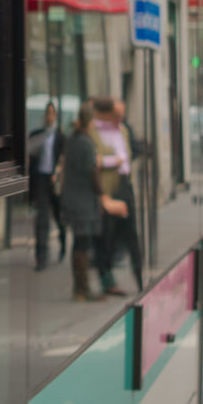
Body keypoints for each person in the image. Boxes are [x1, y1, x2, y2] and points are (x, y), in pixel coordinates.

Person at [91, 97, 141, 294]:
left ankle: (140, 278)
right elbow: (93, 161)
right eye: (117, 115)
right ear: (106, 114)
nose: (120, 118)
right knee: (106, 235)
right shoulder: (94, 132)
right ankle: (107, 279)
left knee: (131, 233)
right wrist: (114, 162)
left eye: (122, 115)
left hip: (125, 185)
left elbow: (130, 153)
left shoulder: (123, 131)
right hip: (107, 188)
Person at [58, 104, 106, 302]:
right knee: (82, 244)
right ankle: (82, 289)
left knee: (78, 243)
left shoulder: (71, 140)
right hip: (83, 200)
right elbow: (92, 172)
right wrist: (102, 194)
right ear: (90, 122)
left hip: (71, 197)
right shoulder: (86, 143)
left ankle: (79, 288)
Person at [27, 103, 67, 271]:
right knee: (42, 221)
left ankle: (63, 245)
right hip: (41, 180)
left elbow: (64, 160)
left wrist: (57, 173)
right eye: (47, 113)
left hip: (55, 182)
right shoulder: (38, 134)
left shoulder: (60, 136)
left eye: (52, 113)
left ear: (56, 115)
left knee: (59, 217)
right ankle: (41, 258)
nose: (49, 116)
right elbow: (30, 156)